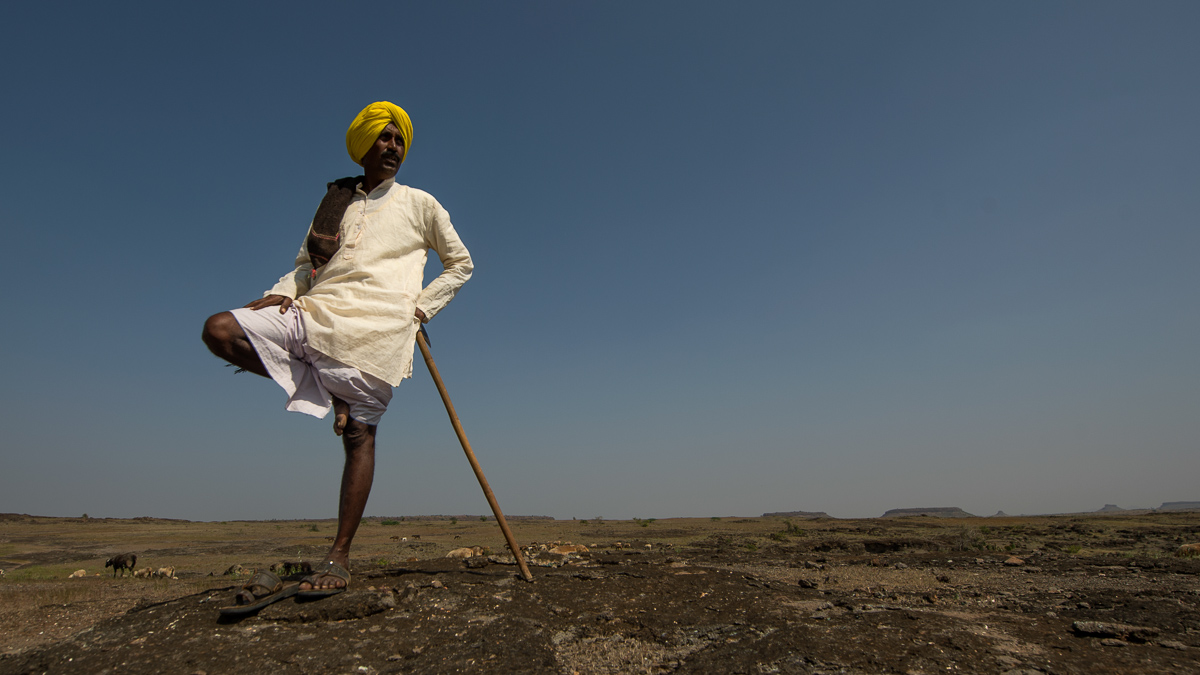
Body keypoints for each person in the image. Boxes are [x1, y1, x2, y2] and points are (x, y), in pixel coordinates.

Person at [202, 101, 473, 595]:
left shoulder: (421, 203)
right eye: (384, 138)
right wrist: (287, 286)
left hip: (379, 329)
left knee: (359, 439)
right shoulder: (335, 201)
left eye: (399, 139)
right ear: (363, 145)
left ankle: (339, 556)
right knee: (220, 330)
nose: (393, 146)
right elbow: (308, 262)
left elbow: (460, 263)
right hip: (315, 311)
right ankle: (331, 394)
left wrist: (419, 310)